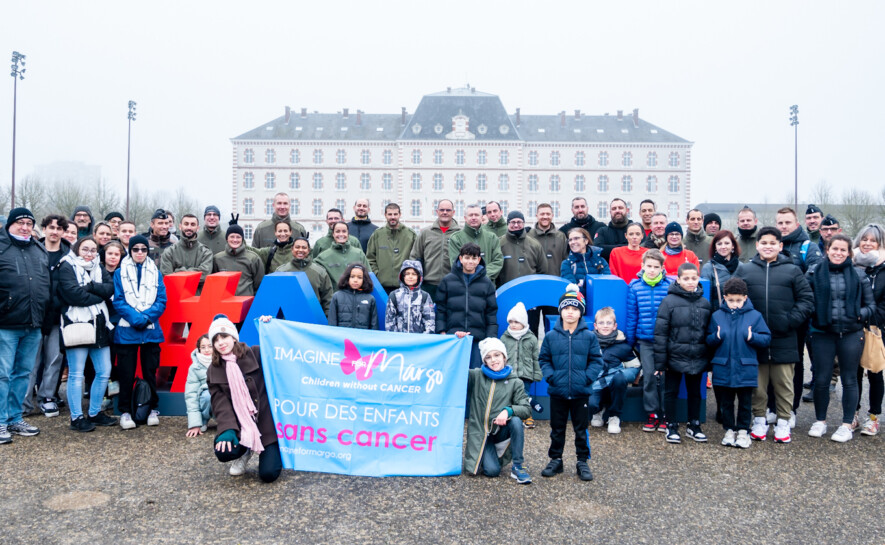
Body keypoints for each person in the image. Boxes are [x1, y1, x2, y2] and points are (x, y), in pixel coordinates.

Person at [735, 227, 814, 443]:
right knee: (757, 385)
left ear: (780, 246)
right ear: (757, 245)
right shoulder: (745, 270)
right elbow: (733, 297)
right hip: (755, 340)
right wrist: (746, 324)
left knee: (784, 384)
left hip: (785, 337)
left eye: (773, 242)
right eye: (764, 242)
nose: (768, 246)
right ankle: (759, 419)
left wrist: (790, 321)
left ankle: (783, 422)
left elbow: (806, 300)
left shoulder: (792, 271)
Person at [806, 234, 875, 443]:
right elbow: (806, 301)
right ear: (827, 250)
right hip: (822, 334)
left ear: (849, 253)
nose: (838, 253)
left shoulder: (859, 275)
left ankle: (846, 425)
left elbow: (871, 306)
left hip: (851, 334)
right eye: (834, 249)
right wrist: (814, 314)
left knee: (849, 379)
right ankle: (820, 421)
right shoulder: (813, 272)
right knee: (822, 379)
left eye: (843, 250)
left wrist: (858, 314)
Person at [538, 284, 602, 481]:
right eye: (566, 308)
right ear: (560, 311)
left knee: (581, 429)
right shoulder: (551, 337)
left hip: (580, 392)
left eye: (575, 309)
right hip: (558, 392)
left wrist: (586, 378)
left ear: (580, 312)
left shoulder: (589, 336)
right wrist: (552, 377)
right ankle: (556, 460)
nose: (570, 312)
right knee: (557, 429)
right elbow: (544, 360)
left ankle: (582, 461)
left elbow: (596, 361)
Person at [208, 314, 282, 482]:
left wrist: (271, 327)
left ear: (234, 337)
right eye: (216, 340)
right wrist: (227, 429)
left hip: (265, 423)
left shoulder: (255, 353)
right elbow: (220, 404)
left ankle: (273, 449)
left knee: (269, 474)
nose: (221, 342)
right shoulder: (214, 369)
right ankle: (245, 449)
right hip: (241, 425)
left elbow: (280, 351)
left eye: (224, 336)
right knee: (224, 451)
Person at [0, 208, 51, 444]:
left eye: (29, 223)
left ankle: (14, 418)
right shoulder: (2, 247)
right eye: (20, 222)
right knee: (2, 375)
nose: (25, 227)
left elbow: (45, 285)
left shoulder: (38, 248)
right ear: (10, 224)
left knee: (22, 374)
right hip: (6, 323)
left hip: (33, 324)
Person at [57, 236, 118, 432]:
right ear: (77, 249)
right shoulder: (66, 266)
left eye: (93, 250)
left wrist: (91, 287)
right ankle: (76, 417)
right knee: (76, 374)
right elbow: (73, 294)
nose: (89, 253)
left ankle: (94, 412)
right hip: (78, 323)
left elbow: (109, 289)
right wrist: (97, 295)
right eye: (85, 249)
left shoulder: (98, 267)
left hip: (100, 323)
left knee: (103, 371)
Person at [706, 277, 772, 449]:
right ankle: (729, 430)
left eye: (738, 300)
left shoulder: (755, 316)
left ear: (745, 298)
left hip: (745, 367)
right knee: (725, 402)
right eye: (730, 300)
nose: (734, 304)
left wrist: (752, 337)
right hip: (723, 366)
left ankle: (743, 431)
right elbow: (708, 339)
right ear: (725, 298)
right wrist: (716, 337)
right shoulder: (717, 316)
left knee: (745, 402)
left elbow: (766, 338)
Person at [113, 235, 168, 430]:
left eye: (143, 249)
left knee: (150, 372)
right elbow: (118, 300)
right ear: (130, 251)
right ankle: (125, 411)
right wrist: (136, 319)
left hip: (150, 331)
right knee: (126, 373)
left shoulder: (156, 272)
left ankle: (152, 408)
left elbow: (161, 300)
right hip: (127, 331)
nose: (139, 253)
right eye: (135, 249)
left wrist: (146, 318)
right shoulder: (119, 272)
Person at [654, 262, 713, 444]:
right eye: (685, 278)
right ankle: (671, 424)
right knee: (671, 392)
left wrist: (709, 359)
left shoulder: (704, 303)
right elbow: (661, 332)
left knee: (695, 392)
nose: (690, 282)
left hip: (697, 356)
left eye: (694, 278)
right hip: (675, 356)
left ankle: (693, 425)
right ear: (678, 279)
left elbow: (709, 332)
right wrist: (660, 362)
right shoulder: (669, 302)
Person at [463, 337, 532, 484]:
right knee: (492, 471)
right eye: (488, 357)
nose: (493, 360)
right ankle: (486, 455)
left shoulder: (515, 382)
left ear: (504, 357)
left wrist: (508, 410)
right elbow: (456, 370)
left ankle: (518, 466)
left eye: (497, 355)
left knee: (516, 421)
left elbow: (526, 408)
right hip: (482, 434)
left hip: (501, 432)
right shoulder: (476, 376)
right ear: (484, 361)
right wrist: (458, 342)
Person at [24, 215, 70, 419]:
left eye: (59, 228)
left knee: (54, 359)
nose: (55, 231)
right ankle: (23, 402)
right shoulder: (31, 251)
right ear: (43, 229)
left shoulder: (69, 255)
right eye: (51, 227)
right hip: (33, 315)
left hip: (57, 316)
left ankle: (47, 397)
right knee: (29, 362)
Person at [625, 249, 671, 432]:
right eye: (648, 266)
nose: (652, 270)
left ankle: (666, 414)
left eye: (656, 267)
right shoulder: (635, 287)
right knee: (650, 377)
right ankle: (652, 414)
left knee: (667, 378)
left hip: (666, 341)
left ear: (662, 268)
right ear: (642, 266)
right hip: (645, 341)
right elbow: (632, 316)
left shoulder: (669, 286)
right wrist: (629, 343)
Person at [436, 243, 498, 369]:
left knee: (474, 375)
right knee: (452, 373)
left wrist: (490, 339)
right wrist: (442, 332)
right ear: (460, 258)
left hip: (477, 339)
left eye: (474, 258)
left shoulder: (487, 283)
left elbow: (491, 313)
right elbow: (441, 309)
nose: (470, 261)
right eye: (467, 257)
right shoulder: (447, 281)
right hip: (453, 337)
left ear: (479, 260)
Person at [853, 224, 885, 436]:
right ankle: (853, 413)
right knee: (853, 374)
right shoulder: (850, 264)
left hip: (876, 328)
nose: (867, 243)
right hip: (853, 327)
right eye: (864, 239)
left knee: (875, 372)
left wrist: (868, 316)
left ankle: (873, 417)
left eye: (872, 240)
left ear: (880, 243)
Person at [588, 307, 641, 435]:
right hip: (596, 383)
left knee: (618, 378)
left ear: (614, 326)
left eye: (609, 323)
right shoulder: (588, 343)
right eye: (601, 323)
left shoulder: (623, 346)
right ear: (595, 326)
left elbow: (635, 367)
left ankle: (614, 416)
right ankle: (598, 410)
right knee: (591, 404)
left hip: (615, 384)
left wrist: (622, 376)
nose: (605, 326)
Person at [499, 302, 541, 429]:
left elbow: (535, 357)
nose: (513, 325)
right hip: (509, 374)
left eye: (516, 322)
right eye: (510, 322)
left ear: (523, 323)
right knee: (508, 395)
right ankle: (508, 415)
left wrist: (537, 372)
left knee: (524, 395)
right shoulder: (505, 338)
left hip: (525, 373)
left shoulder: (531, 338)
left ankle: (527, 415)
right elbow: (501, 356)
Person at [410, 199, 462, 301]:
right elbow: (415, 256)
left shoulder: (460, 233)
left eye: (448, 210)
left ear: (453, 212)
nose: (445, 212)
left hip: (453, 284)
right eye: (442, 210)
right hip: (428, 285)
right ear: (437, 211)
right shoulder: (426, 233)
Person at [366, 203, 416, 294]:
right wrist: (378, 274)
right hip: (382, 286)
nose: (392, 217)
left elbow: (416, 257)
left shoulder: (410, 235)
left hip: (404, 285)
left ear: (400, 215)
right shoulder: (377, 234)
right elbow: (370, 258)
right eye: (390, 214)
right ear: (385, 215)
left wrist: (409, 275)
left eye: (395, 214)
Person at [276, 237, 333, 316]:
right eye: (297, 247)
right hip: (288, 321)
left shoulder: (320, 272)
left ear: (308, 250)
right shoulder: (281, 271)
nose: (300, 250)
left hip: (314, 319)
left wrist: (328, 320)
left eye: (304, 247)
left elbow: (327, 299)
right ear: (292, 249)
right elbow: (276, 298)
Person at [448, 204, 504, 283]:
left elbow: (498, 261)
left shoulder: (492, 238)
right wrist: (472, 277)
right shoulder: (456, 238)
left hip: (487, 286)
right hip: (465, 286)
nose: (473, 218)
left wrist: (483, 275)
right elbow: (456, 263)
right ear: (465, 218)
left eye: (476, 215)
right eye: (470, 215)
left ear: (481, 217)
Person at [314, 222, 370, 292]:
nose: (341, 234)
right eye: (337, 231)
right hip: (334, 299)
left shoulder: (359, 254)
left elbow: (368, 276)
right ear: (333, 234)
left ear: (348, 234)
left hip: (358, 297)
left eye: (344, 231)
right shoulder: (323, 257)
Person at [213, 222, 265, 296]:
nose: (235, 240)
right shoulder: (217, 259)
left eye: (238, 237)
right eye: (232, 236)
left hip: (247, 303)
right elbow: (214, 284)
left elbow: (259, 284)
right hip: (225, 303)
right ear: (227, 238)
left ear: (242, 239)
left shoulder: (253, 258)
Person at [160, 214, 214, 285]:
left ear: (197, 228)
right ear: (180, 226)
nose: (189, 227)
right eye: (186, 224)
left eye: (192, 224)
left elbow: (204, 275)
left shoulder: (206, 252)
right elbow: (167, 277)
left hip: (198, 295)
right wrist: (195, 273)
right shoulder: (169, 252)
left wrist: (177, 271)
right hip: (176, 295)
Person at [385, 261, 435, 334]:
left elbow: (429, 321)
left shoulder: (425, 296)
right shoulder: (394, 295)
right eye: (407, 274)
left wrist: (424, 339)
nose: (410, 276)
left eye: (414, 274)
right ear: (402, 276)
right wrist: (395, 338)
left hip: (419, 341)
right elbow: (389, 321)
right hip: (398, 340)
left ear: (419, 277)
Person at [497, 211, 544, 287]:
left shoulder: (535, 244)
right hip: (506, 290)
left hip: (530, 289)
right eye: (512, 222)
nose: (516, 225)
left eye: (519, 222)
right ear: (507, 223)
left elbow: (542, 270)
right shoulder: (499, 244)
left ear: (524, 223)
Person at [561, 228, 610, 299]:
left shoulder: (600, 261)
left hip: (599, 302)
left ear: (586, 241)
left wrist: (581, 284)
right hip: (578, 305)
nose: (572, 242)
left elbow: (606, 285)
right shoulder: (567, 264)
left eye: (576, 238)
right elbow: (572, 290)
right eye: (570, 240)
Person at [701, 230, 742, 312]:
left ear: (733, 245)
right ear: (715, 247)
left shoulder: (742, 267)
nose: (723, 247)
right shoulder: (708, 268)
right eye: (719, 244)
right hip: (717, 316)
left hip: (739, 315)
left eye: (727, 243)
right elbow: (705, 298)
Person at [329, 264, 379, 330]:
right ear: (347, 278)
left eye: (359, 277)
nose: (355, 280)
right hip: (342, 338)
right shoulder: (337, 297)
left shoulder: (370, 299)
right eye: (352, 277)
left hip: (362, 338)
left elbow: (374, 325)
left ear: (364, 279)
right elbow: (332, 322)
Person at [526, 202, 568, 276]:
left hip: (556, 280)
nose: (545, 217)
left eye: (548, 214)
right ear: (537, 216)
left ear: (552, 215)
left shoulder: (561, 237)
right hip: (534, 281)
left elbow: (566, 260)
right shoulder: (529, 236)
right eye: (542, 214)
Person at [776, 207, 823, 273]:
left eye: (788, 222)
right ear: (776, 225)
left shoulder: (809, 247)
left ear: (797, 225)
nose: (784, 226)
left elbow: (816, 276)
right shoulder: (769, 247)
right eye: (780, 223)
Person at [185, 334, 213, 437]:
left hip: (223, 403)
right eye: (203, 347)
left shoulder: (225, 362)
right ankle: (203, 420)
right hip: (207, 402)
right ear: (198, 348)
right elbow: (191, 395)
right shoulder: (194, 368)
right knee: (207, 395)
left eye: (210, 346)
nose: (207, 350)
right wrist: (195, 424)